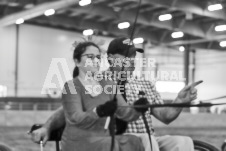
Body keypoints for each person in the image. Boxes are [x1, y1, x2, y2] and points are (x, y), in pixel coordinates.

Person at [31, 37, 202, 151]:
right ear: (111, 58)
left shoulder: (145, 84)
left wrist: (180, 100)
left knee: (183, 142)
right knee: (146, 140)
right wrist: (47, 126)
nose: (132, 60)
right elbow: (67, 111)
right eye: (127, 56)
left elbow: (166, 116)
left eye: (134, 56)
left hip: (150, 141)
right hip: (116, 141)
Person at [55, 41, 148, 151]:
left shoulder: (109, 84)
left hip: (104, 139)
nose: (96, 61)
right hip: (78, 142)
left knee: (133, 142)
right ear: (77, 61)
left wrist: (136, 109)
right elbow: (76, 118)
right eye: (90, 57)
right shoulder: (70, 86)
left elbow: (125, 113)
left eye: (98, 57)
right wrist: (99, 112)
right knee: (109, 145)